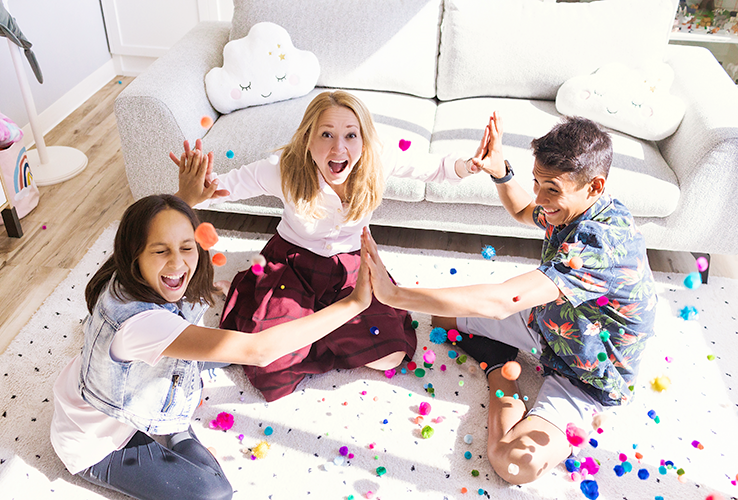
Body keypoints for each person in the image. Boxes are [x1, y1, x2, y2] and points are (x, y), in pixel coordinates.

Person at [360, 114, 657, 485]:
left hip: (588, 374)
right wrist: (501, 171)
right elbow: (521, 210)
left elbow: (506, 300)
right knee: (444, 320)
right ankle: (501, 357)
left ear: (594, 186)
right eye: (536, 182)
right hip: (551, 324)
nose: (539, 198)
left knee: (512, 464)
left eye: (550, 189)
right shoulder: (573, 206)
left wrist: (397, 295)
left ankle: (500, 371)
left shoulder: (602, 244)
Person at [50, 194, 373, 500]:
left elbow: (153, 230)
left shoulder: (122, 273)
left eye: (186, 247)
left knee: (225, 347)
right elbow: (257, 351)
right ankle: (179, 433)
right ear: (134, 254)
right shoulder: (142, 324)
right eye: (161, 251)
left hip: (102, 386)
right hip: (97, 442)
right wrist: (354, 303)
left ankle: (177, 429)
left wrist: (186, 195)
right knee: (214, 492)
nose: (178, 263)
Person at [173, 90, 483, 402]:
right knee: (270, 372)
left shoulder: (378, 157)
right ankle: (258, 298)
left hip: (352, 267)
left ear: (363, 140)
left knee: (391, 356)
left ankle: (302, 330)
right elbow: (226, 187)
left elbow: (436, 168)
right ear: (308, 139)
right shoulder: (283, 168)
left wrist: (471, 165)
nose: (339, 147)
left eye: (351, 135)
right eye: (326, 134)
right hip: (291, 265)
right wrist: (193, 187)